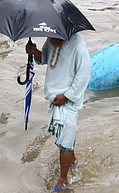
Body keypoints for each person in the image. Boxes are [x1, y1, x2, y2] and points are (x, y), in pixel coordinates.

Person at [25, 33, 91, 193]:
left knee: (65, 142)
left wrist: (67, 96)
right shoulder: (52, 38)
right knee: (64, 137)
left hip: (69, 100)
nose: (51, 38)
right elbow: (45, 58)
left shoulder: (78, 46)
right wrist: (34, 51)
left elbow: (83, 76)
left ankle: (63, 179)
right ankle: (73, 162)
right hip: (55, 98)